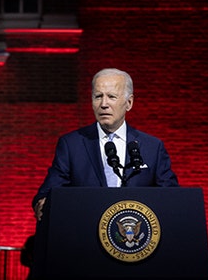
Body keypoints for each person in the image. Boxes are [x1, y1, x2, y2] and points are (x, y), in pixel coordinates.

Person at [33, 68, 178, 218]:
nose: (104, 104)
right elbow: (49, 191)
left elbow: (172, 198)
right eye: (98, 96)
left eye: (111, 97)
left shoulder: (152, 147)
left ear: (129, 103)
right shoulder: (71, 145)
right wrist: (44, 201)